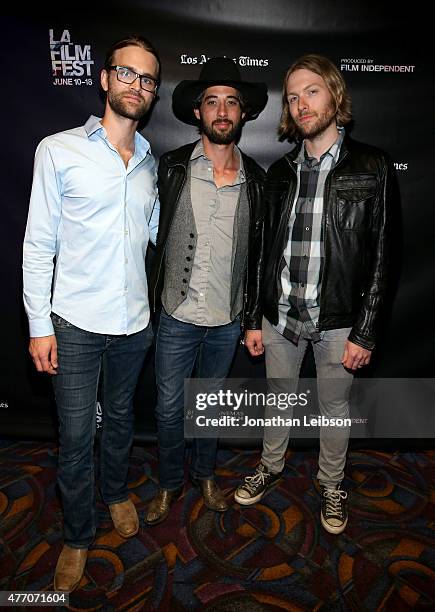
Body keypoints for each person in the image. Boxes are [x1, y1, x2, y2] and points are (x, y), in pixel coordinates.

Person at [23, 35, 160, 591]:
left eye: (148, 79)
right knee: (77, 436)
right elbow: (39, 245)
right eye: (127, 74)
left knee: (122, 420)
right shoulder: (57, 149)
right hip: (74, 325)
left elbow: (150, 238)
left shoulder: (151, 163)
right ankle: (79, 536)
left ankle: (117, 493)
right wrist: (38, 325)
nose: (137, 86)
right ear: (104, 79)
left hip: (134, 324)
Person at [234, 54, 393, 535]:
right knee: (279, 398)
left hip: (338, 319)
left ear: (334, 96)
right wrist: (251, 318)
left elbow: (385, 256)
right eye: (295, 96)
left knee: (334, 408)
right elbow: (262, 252)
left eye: (313, 91)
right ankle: (272, 465)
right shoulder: (280, 171)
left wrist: (365, 332)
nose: (303, 104)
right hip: (279, 315)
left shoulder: (373, 165)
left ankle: (331, 483)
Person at [145, 57, 267, 525]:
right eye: (212, 101)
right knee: (170, 408)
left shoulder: (256, 178)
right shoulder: (172, 167)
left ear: (243, 114)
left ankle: (206, 474)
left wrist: (251, 318)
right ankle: (169, 483)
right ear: (198, 112)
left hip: (226, 319)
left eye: (231, 102)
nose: (222, 110)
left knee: (210, 408)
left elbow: (258, 257)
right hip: (176, 314)